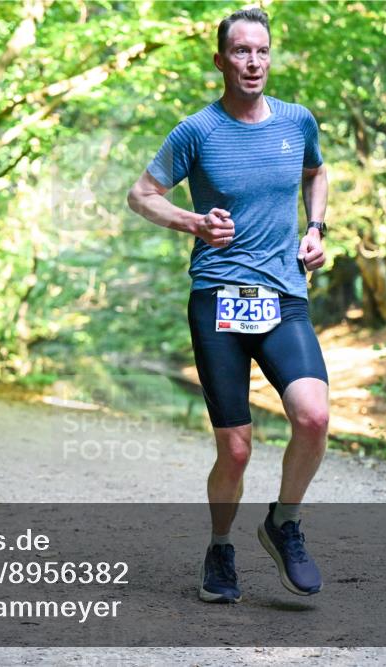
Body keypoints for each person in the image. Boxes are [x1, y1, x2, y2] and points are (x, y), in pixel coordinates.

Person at [127, 7, 330, 603]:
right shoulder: (196, 131)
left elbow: (316, 172)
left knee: (313, 417)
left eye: (261, 51)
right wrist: (192, 221)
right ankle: (220, 547)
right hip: (218, 297)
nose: (253, 62)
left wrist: (316, 228)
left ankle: (284, 522)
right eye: (241, 51)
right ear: (221, 60)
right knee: (236, 448)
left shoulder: (297, 121)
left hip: (284, 293)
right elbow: (141, 195)